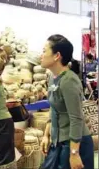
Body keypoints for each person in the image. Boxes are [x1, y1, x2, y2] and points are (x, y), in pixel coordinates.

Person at [40, 34, 93, 169]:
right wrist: (46, 135)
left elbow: (76, 118)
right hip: (59, 142)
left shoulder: (69, 81)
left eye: (44, 51)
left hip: (75, 143)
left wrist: (74, 153)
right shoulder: (53, 78)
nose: (41, 55)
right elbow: (54, 107)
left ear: (57, 56)